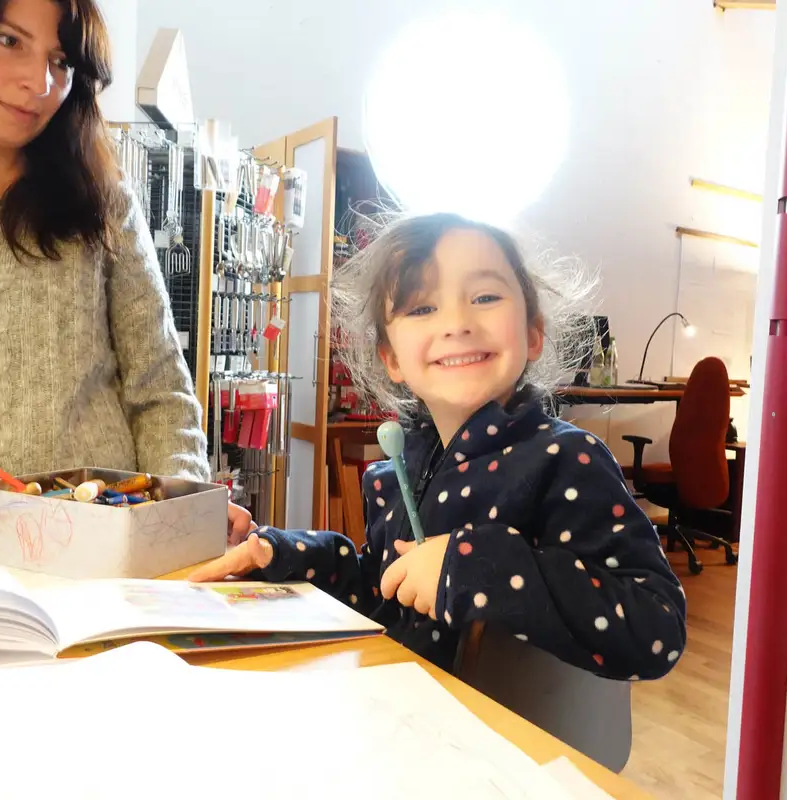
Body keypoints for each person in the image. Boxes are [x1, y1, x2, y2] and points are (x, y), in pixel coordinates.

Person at [190, 213, 688, 680]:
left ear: (533, 332)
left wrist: (472, 567)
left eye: (485, 297)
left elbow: (657, 625)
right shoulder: (396, 472)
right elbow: (383, 590)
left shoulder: (565, 460)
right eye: (423, 307)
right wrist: (279, 552)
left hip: (488, 736)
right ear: (392, 358)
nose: (456, 324)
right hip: (397, 712)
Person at [0, 0, 251, 566]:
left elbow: (160, 389)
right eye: (8, 40)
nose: (40, 83)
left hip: (94, 562)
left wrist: (182, 519)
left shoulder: (104, 203)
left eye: (61, 61)